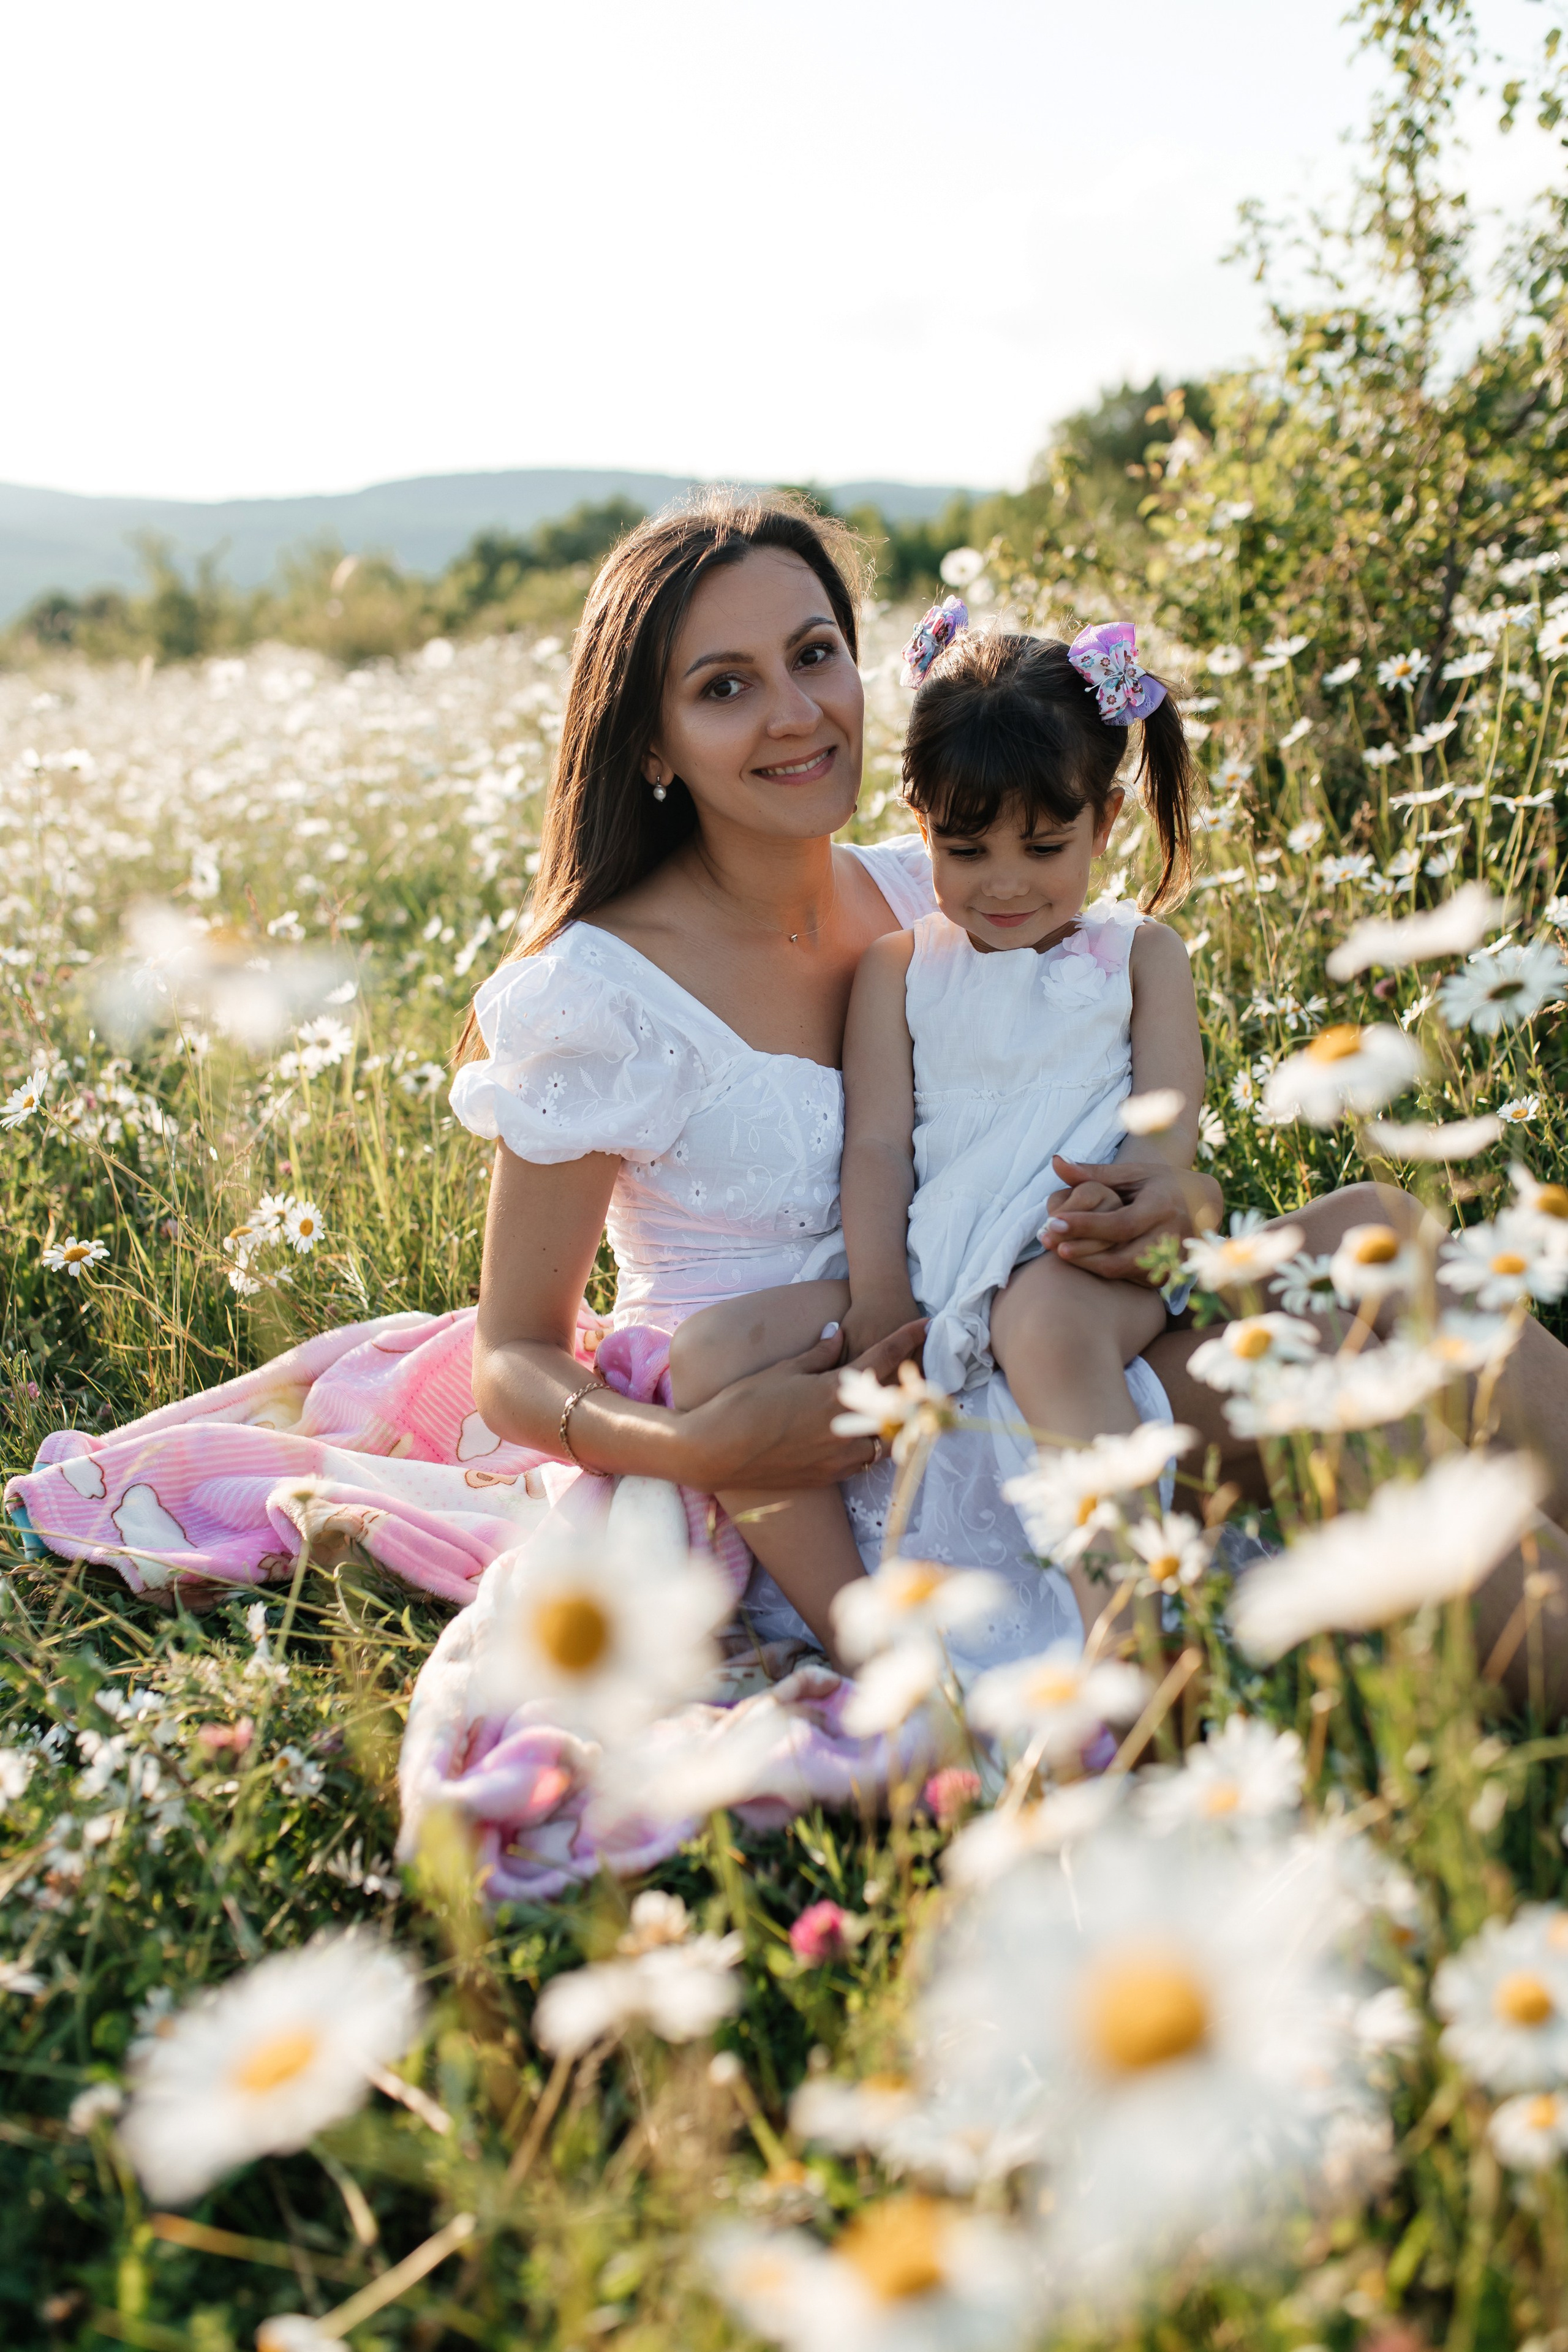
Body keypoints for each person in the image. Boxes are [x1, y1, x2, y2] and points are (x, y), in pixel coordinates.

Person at [453, 492, 1207, 1672]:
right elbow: (514, 1358)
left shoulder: (946, 887)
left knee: (1399, 1304)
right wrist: (696, 1448)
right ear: (650, 743)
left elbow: (1092, 1083)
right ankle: (920, 1663)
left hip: (1020, 1358)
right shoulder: (597, 992)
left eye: (815, 656)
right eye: (724, 686)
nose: (798, 715)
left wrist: (1167, 1199)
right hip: (796, 1457)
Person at [665, 617, 1203, 1645]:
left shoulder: (1140, 954)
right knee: (713, 1350)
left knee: (1040, 1326)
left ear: (1108, 820)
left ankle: (1133, 1636)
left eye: (1046, 848)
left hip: (1075, 1246)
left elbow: (1166, 1125)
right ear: (918, 821)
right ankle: (857, 1635)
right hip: (934, 1257)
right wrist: (878, 1296)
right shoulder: (902, 967)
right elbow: (878, 1146)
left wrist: (1128, 1202)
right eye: (967, 849)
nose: (1005, 883)